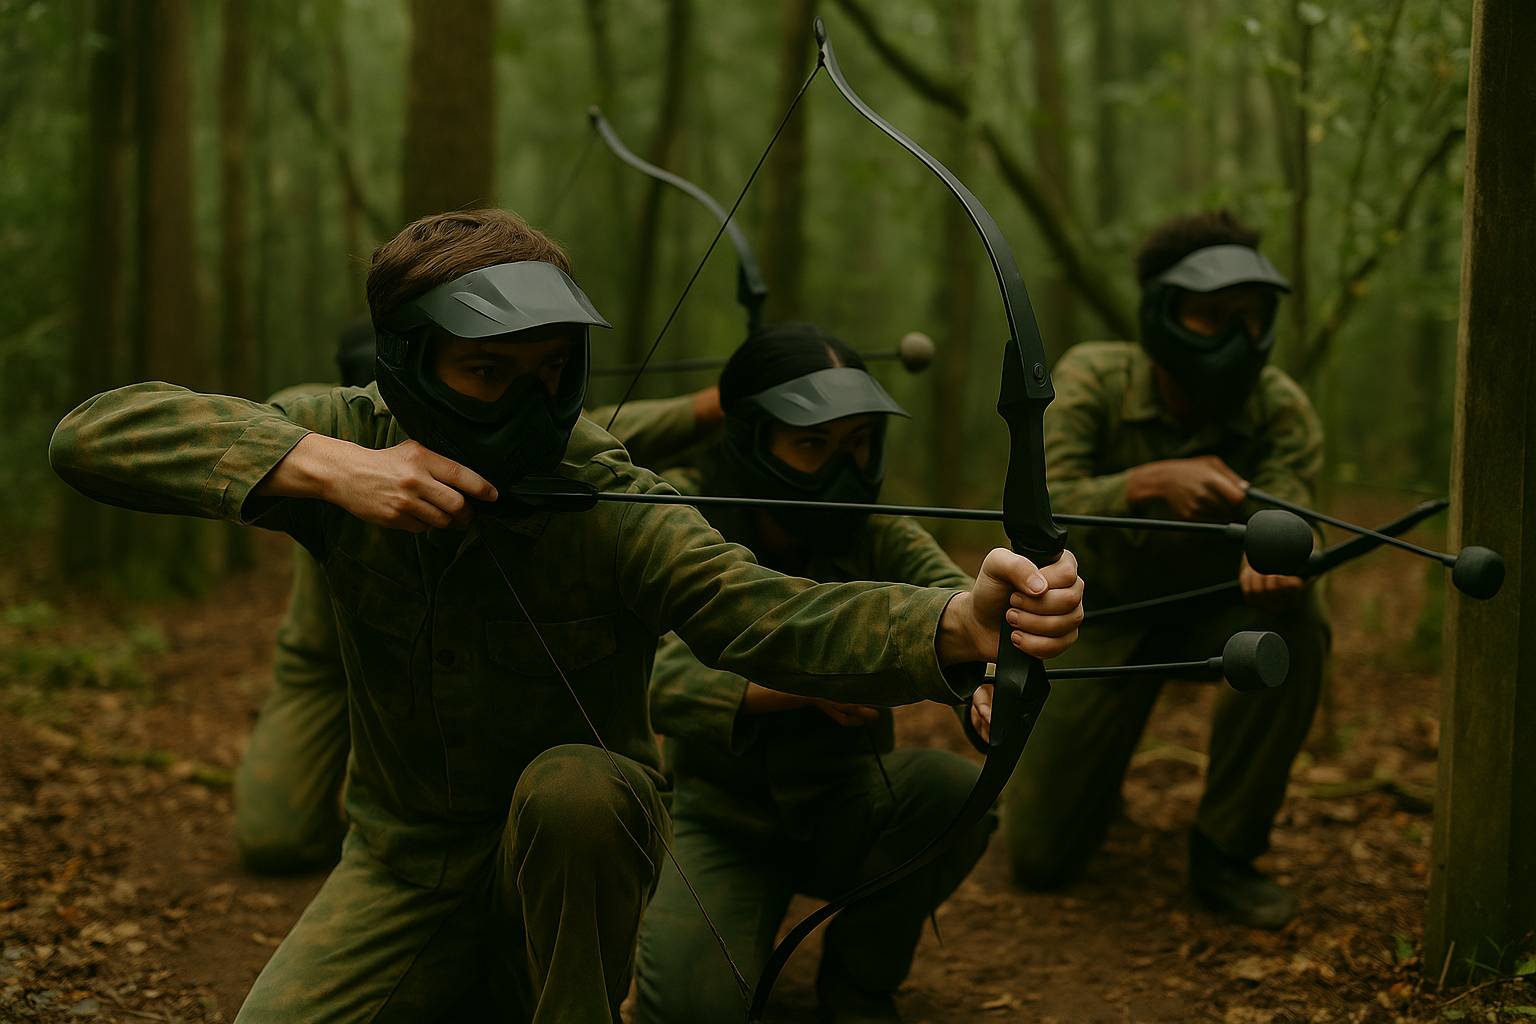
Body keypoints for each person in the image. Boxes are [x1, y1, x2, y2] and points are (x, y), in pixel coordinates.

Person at [49, 208, 1084, 1022]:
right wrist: (329, 470)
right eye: (487, 373)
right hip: (401, 860)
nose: (528, 410)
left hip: (588, 840)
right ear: (412, 360)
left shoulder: (609, 492)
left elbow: (759, 612)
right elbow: (95, 433)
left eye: (550, 376)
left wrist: (958, 621)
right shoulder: (347, 435)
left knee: (576, 787)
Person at [233, 325, 725, 875]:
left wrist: (708, 407)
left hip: (433, 670)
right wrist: (336, 466)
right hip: (325, 668)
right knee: (274, 837)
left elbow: (607, 430)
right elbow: (250, 427)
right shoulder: (331, 428)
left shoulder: (488, 428)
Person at [632, 323, 993, 1024]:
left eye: (858, 444)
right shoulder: (684, 524)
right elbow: (652, 678)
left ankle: (859, 984)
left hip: (846, 801)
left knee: (954, 790)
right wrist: (804, 682)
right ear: (752, 440)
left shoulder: (874, 530)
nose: (843, 470)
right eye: (812, 445)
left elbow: (952, 598)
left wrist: (982, 673)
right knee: (688, 1009)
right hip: (719, 820)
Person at [1002, 210, 1329, 930]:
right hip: (1098, 620)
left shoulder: (1279, 407)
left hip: (1218, 617)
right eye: (1211, 316)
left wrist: (1279, 560)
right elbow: (1036, 510)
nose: (1236, 336)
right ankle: (1094, 776)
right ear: (1163, 313)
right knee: (1040, 861)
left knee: (1296, 625)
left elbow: (1296, 514)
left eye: (1251, 316)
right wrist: (1143, 484)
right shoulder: (1095, 378)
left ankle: (1226, 852)